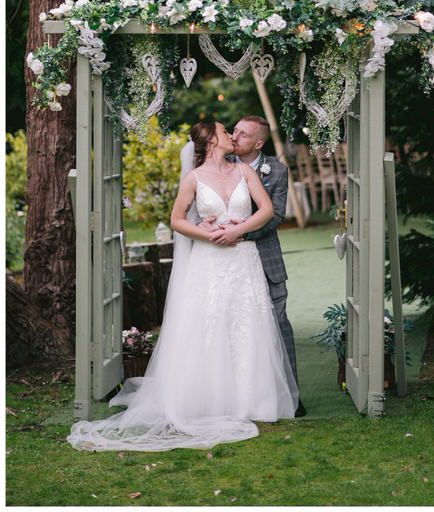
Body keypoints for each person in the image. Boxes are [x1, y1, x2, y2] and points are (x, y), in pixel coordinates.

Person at [67, 120, 298, 451]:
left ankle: (252, 403)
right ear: (211, 141)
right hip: (210, 262)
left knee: (248, 328)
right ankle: (212, 401)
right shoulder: (194, 179)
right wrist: (208, 234)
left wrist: (238, 230)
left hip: (243, 260)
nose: (231, 136)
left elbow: (267, 210)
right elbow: (177, 220)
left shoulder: (245, 173)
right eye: (224, 131)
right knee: (212, 328)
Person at [198, 115, 305, 418]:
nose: (235, 136)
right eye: (234, 130)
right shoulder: (219, 163)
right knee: (230, 329)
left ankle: (291, 397)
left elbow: (276, 216)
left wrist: (241, 230)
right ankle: (233, 397)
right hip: (224, 261)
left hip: (264, 257)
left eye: (243, 134)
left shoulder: (278, 171)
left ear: (259, 143)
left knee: (278, 327)